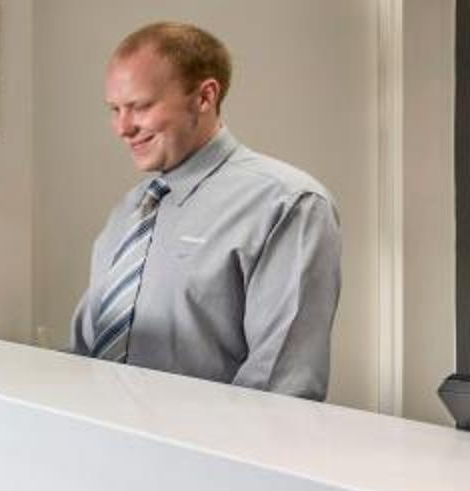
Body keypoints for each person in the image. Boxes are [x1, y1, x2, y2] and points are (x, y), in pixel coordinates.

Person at [71, 21, 341, 400]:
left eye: (140, 107)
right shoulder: (130, 209)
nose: (123, 127)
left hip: (204, 438)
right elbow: (84, 349)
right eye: (115, 109)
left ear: (204, 97)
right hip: (96, 429)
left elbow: (282, 385)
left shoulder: (287, 203)